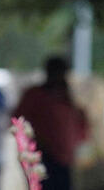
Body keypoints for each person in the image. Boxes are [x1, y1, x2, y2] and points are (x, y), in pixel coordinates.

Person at [13, 57, 88, 190]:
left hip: (64, 158)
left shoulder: (66, 98)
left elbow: (80, 125)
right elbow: (18, 120)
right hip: (43, 155)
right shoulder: (36, 95)